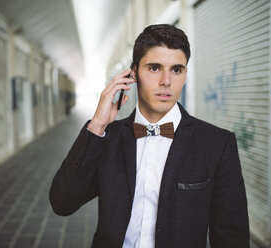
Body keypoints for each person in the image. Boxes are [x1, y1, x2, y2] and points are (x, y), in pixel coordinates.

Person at [49, 24, 249, 248]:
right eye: (154, 68)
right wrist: (97, 125)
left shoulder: (217, 144)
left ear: (184, 74)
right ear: (133, 73)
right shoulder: (108, 139)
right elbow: (62, 202)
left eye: (176, 69)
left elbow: (232, 236)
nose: (166, 81)